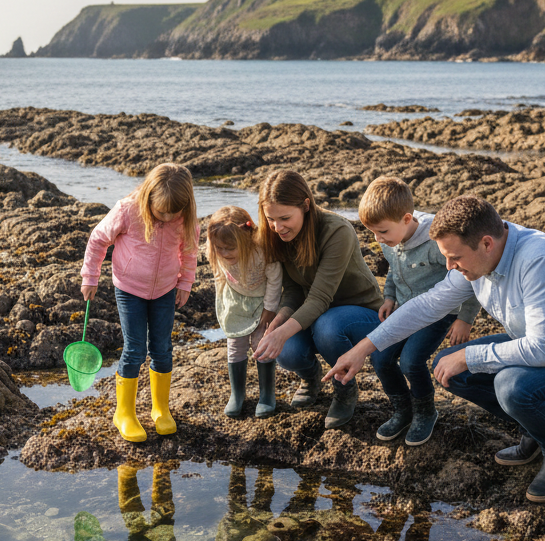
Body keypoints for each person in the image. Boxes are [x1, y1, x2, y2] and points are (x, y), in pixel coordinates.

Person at [325, 195, 545, 503]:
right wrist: (363, 349)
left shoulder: (539, 260)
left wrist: (470, 355)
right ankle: (537, 431)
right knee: (449, 367)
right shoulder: (476, 262)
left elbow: (542, 349)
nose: (448, 265)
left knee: (512, 386)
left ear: (486, 243)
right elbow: (428, 305)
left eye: (454, 257)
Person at [251, 170, 384, 429]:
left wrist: (281, 332)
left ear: (306, 206)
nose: (277, 227)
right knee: (286, 351)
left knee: (327, 327)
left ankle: (344, 389)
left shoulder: (337, 231)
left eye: (285, 218)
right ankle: (311, 379)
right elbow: (292, 292)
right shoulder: (280, 237)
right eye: (270, 219)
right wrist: (275, 326)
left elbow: (320, 298)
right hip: (317, 314)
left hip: (361, 314)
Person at [358, 176, 481, 446]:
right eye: (373, 233)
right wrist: (389, 296)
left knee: (411, 362)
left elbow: (471, 278)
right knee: (380, 359)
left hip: (439, 314)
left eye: (382, 232)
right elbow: (393, 269)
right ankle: (403, 410)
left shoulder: (436, 243)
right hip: (403, 309)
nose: (378, 239)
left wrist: (464, 319)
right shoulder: (389, 238)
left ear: (406, 219)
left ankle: (426, 412)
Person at [81, 164, 199, 443]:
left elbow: (189, 251)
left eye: (175, 212)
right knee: (135, 348)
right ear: (148, 197)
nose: (168, 216)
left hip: (165, 290)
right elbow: (98, 240)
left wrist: (185, 283)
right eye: (162, 212)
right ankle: (124, 413)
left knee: (162, 347)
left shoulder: (185, 218)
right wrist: (90, 276)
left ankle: (160, 408)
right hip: (129, 289)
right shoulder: (128, 210)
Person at [205, 205, 283, 419]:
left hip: (263, 301)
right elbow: (219, 271)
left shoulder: (263, 252)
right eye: (219, 248)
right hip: (235, 302)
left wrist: (270, 309)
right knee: (235, 346)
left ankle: (267, 395)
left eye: (229, 248)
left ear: (246, 239)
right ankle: (237, 395)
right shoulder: (217, 250)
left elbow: (275, 281)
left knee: (261, 344)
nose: (223, 253)